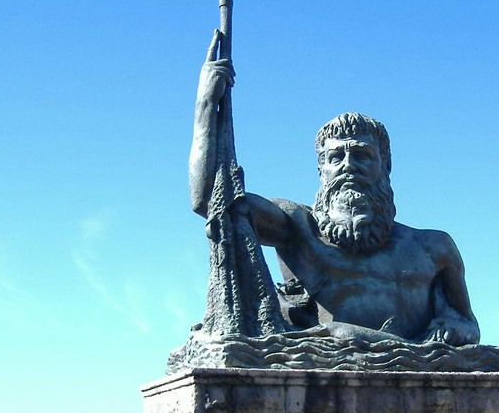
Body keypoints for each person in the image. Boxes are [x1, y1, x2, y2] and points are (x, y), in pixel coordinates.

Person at [191, 33, 480, 346]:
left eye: (361, 154)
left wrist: (455, 329)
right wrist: (206, 105)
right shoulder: (296, 228)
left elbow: (470, 327)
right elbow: (213, 202)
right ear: (321, 169)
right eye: (335, 156)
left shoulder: (434, 248)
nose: (348, 165)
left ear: (386, 164)